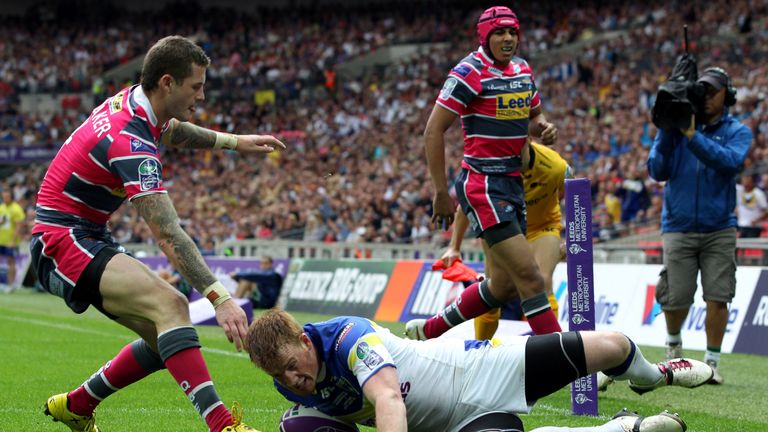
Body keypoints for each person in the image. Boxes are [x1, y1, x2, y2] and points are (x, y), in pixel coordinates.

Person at [30, 35, 285, 432]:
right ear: (167, 82)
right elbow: (169, 236)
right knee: (172, 307)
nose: (201, 95)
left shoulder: (136, 102)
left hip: (85, 231)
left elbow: (172, 130)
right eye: (196, 86)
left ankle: (76, 405)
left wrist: (235, 142)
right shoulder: (129, 142)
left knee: (164, 338)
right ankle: (223, 427)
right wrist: (220, 298)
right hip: (61, 239)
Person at [246, 309, 713, 432]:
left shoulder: (348, 337)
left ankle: (653, 376)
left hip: (481, 368)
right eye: (280, 376)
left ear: (305, 340)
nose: (292, 380)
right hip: (458, 426)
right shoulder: (292, 389)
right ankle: (621, 429)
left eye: (292, 366)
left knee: (611, 345)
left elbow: (387, 399)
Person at [409, 5, 561, 341]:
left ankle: (432, 329)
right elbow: (433, 131)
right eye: (499, 33)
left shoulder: (522, 70)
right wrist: (440, 192)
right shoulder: (467, 71)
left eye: (512, 32)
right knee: (531, 279)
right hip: (484, 186)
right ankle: (569, 364)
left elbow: (534, 119)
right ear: (485, 36)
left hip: (512, 183)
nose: (508, 38)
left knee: (503, 286)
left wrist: (543, 129)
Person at [647, 66, 752, 385]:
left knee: (718, 296)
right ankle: (674, 346)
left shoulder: (737, 131)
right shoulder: (676, 127)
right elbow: (656, 169)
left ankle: (712, 362)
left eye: (713, 91)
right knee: (676, 296)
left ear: (728, 96)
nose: (705, 96)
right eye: (701, 90)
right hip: (678, 227)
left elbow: (729, 162)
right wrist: (668, 128)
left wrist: (691, 136)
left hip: (719, 227)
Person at [441, 142, 568, 339]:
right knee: (495, 292)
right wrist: (454, 247)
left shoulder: (556, 166)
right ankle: (480, 349)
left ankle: (552, 348)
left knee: (543, 282)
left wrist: (578, 239)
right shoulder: (492, 167)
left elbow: (577, 195)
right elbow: (467, 204)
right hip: (505, 229)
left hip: (542, 228)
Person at [0, 188, 25, 292]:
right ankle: (3, 284)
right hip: (1, 239)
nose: (5, 198)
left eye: (7, 197)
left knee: (11, 262)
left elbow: (19, 227)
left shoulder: (16, 209)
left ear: (11, 197)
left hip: (11, 241)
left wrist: (13, 241)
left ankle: (11, 285)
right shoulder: (1, 207)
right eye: (3, 197)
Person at [735, 174, 768, 238]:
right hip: (741, 225)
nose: (745, 183)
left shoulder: (758, 194)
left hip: (754, 227)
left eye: (748, 181)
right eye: (743, 181)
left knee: (750, 247)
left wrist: (756, 221)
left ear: (753, 182)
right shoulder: (739, 192)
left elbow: (766, 211)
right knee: (739, 246)